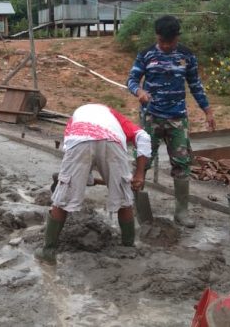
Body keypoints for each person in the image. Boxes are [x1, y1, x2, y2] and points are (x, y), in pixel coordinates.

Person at [126, 15, 215, 228]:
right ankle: (133, 206)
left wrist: (208, 111)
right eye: (162, 41)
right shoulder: (146, 54)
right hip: (151, 117)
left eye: (170, 42)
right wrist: (139, 91)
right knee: (142, 161)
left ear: (177, 37)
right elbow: (131, 80)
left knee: (182, 164)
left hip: (177, 119)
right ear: (157, 36)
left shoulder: (186, 56)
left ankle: (181, 211)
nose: (166, 46)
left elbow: (195, 85)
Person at [35, 103, 151, 264]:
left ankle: (48, 251)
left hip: (79, 141)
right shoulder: (115, 116)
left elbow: (71, 149)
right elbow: (143, 137)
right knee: (124, 198)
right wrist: (139, 174)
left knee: (63, 197)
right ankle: (128, 246)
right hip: (113, 143)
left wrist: (79, 181)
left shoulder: (75, 119)